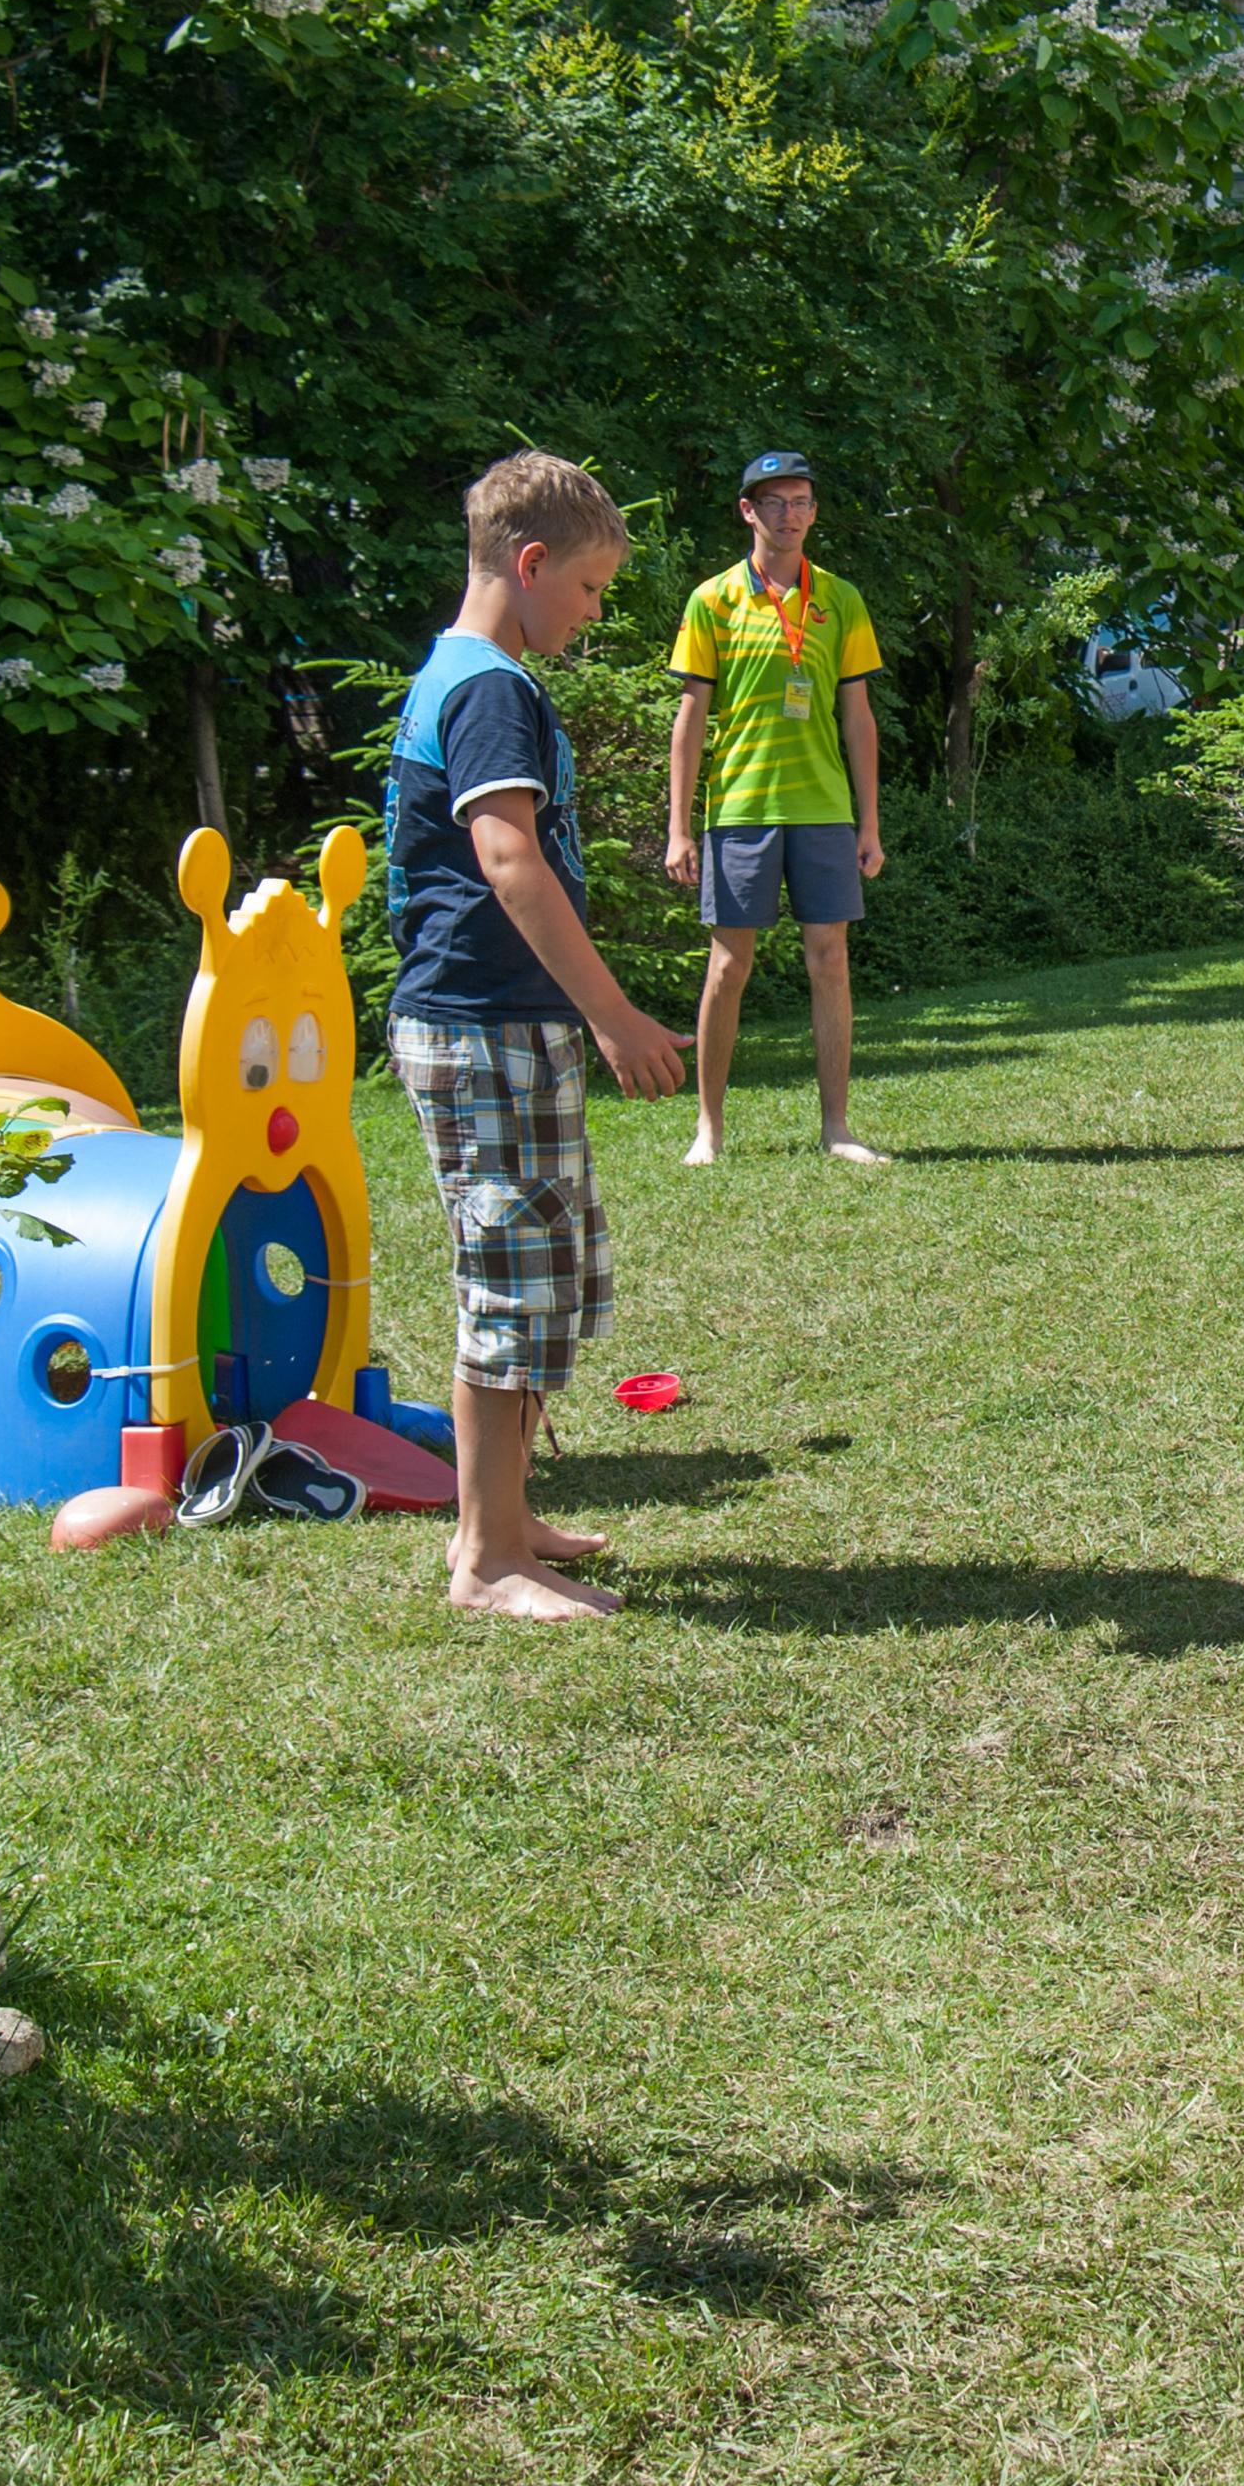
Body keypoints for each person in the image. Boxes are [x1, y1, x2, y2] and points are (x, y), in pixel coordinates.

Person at [383, 451, 692, 1620]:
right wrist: (611, 1015)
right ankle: (486, 1560)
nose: (595, 610)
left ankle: (506, 1522)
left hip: (504, 1028)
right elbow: (506, 856)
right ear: (529, 563)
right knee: (508, 1282)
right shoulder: (488, 688)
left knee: (541, 1272)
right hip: (480, 1028)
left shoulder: (470, 674)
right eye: (591, 587)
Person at [664, 447, 890, 1166]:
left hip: (823, 810)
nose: (788, 515)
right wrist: (678, 827)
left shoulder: (842, 600)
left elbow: (857, 718)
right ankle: (709, 1128)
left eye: (800, 502)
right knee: (729, 967)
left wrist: (870, 822)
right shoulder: (714, 600)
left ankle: (837, 1128)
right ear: (747, 511)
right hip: (740, 810)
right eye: (773, 503)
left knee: (831, 961)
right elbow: (690, 721)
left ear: (814, 512)